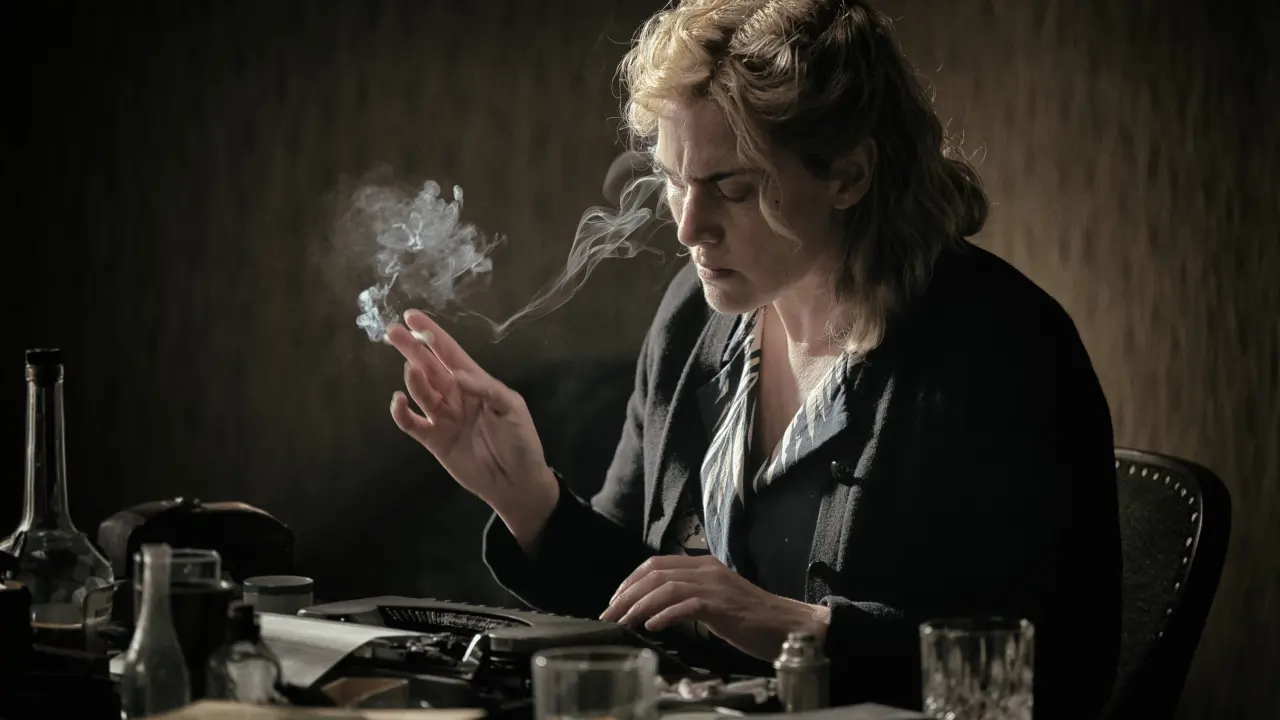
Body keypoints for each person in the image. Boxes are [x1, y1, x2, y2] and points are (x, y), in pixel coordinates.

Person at [384, 0, 1121, 716]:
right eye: (675, 181)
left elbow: (1064, 669)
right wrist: (528, 499)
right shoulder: (690, 318)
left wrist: (798, 629)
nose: (689, 227)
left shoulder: (1002, 347)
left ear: (848, 176)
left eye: (731, 189)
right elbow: (633, 597)